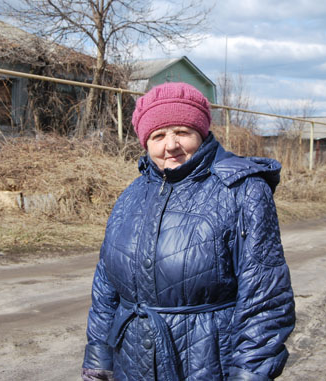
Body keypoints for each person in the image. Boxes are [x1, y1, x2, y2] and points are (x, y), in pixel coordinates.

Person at [81, 82, 295, 381]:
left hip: (206, 364)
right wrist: (99, 356)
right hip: (131, 363)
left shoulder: (242, 191)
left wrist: (248, 374)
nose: (170, 145)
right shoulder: (132, 195)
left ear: (202, 132)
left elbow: (266, 298)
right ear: (145, 142)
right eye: (158, 135)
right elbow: (106, 286)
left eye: (182, 132)